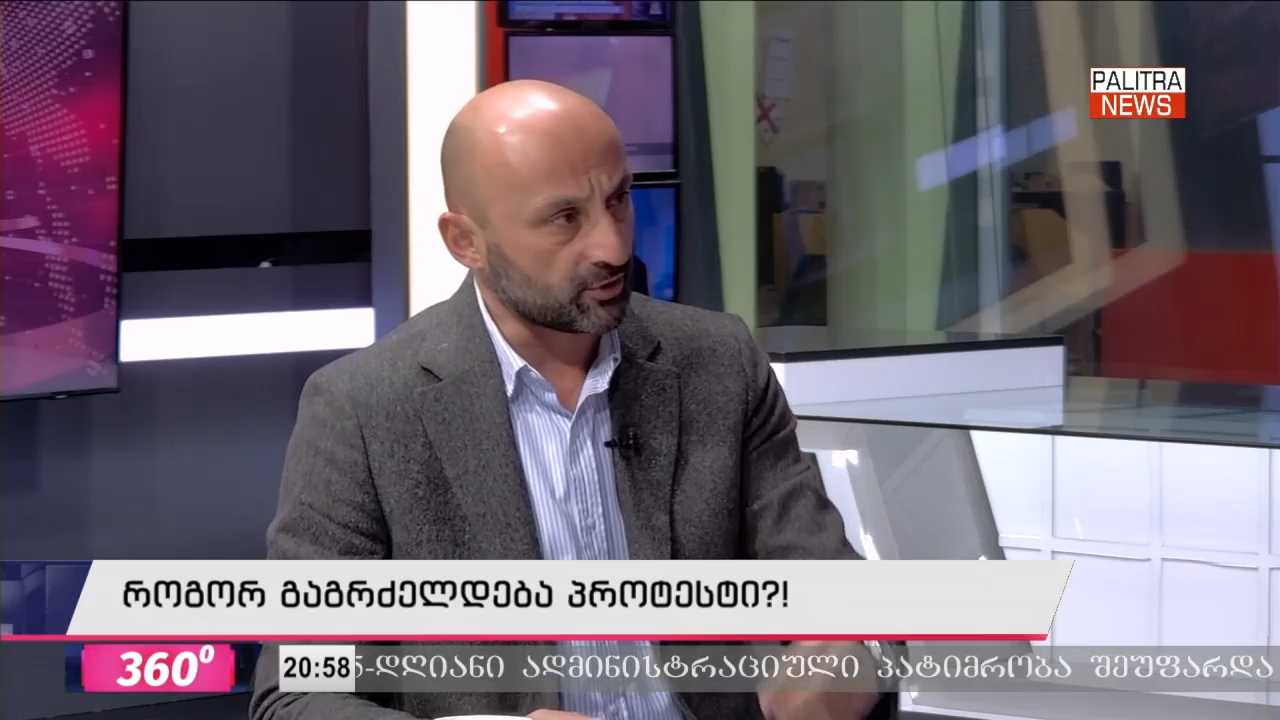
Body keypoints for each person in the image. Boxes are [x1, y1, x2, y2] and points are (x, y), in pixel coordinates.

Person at [250, 80, 886, 720]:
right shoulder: (362, 409)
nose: (613, 247)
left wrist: (841, 659)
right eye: (565, 218)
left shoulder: (718, 362)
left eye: (618, 200)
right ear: (466, 241)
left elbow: (837, 600)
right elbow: (297, 698)